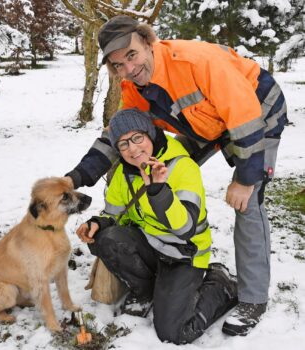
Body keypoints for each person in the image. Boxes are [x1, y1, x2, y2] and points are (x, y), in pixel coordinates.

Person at [66, 15, 288, 337]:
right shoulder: (134, 87)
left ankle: (252, 298)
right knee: (165, 167)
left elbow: (245, 117)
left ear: (147, 41)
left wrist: (244, 179)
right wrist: (74, 179)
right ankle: (163, 253)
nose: (128, 69)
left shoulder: (196, 62)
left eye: (131, 55)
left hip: (257, 114)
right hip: (206, 124)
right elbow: (118, 137)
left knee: (248, 202)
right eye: (118, 65)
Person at [75, 109, 237, 344]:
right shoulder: (123, 171)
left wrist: (158, 191)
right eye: (123, 144)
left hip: (184, 254)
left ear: (150, 134)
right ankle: (144, 291)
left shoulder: (182, 167)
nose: (132, 149)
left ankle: (221, 284)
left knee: (174, 332)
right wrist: (97, 224)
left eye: (137, 137)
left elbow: (186, 228)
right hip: (151, 246)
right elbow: (113, 215)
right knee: (107, 238)